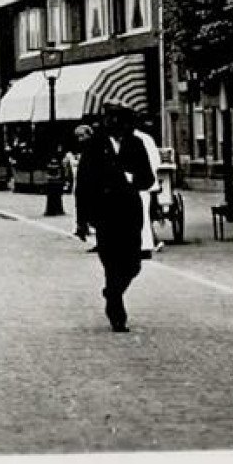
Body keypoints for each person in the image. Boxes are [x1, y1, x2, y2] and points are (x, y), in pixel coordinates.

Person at [78, 107, 155, 332]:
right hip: (104, 212)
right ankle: (116, 313)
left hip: (130, 212)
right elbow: (83, 183)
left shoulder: (136, 145)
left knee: (133, 264)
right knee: (111, 263)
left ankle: (112, 292)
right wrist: (82, 220)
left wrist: (134, 179)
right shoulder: (95, 146)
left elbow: (149, 179)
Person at [132, 123, 166, 256]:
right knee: (145, 213)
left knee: (141, 214)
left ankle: (145, 245)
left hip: (138, 183)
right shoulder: (147, 138)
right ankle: (149, 242)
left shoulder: (132, 140)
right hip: (148, 183)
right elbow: (156, 161)